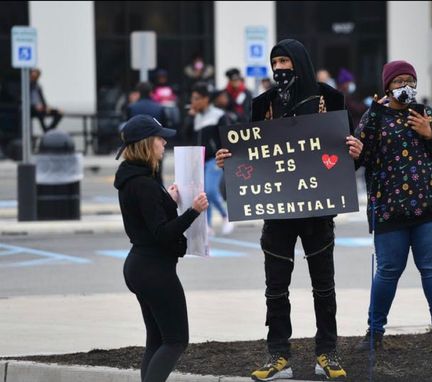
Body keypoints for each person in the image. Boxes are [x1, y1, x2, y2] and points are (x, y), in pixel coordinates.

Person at [216, 38, 363, 381]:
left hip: (318, 212)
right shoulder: (263, 103)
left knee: (324, 286)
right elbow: (252, 155)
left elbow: (345, 160)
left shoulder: (331, 99)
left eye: (286, 61)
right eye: (275, 62)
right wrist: (229, 160)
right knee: (275, 288)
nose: (280, 69)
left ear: (300, 62)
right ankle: (278, 355)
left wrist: (356, 152)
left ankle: (327, 352)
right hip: (278, 212)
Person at [354, 60, 432, 352]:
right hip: (389, 211)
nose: (405, 87)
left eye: (409, 81)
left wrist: (430, 135)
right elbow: (358, 159)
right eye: (398, 82)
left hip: (428, 209)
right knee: (387, 271)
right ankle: (374, 333)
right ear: (387, 86)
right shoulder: (373, 116)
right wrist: (368, 127)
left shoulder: (428, 115)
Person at [113, 114, 209, 382]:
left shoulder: (135, 178)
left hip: (140, 267)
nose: (164, 142)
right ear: (146, 143)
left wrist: (168, 199)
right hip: (154, 270)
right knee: (177, 340)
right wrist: (193, 211)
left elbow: (149, 218)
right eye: (159, 137)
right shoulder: (143, 184)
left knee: (157, 340)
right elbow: (162, 234)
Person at [185, 82, 234, 236]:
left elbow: (226, 137)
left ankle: (226, 215)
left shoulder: (218, 115)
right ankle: (208, 224)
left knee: (211, 190)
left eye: (196, 98)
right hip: (198, 160)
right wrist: (189, 117)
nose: (193, 102)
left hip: (215, 158)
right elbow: (184, 135)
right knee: (203, 192)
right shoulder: (195, 116)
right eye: (192, 99)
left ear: (206, 99)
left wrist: (224, 156)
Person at [127, 82, 169, 185]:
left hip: (138, 146)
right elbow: (163, 127)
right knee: (157, 174)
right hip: (155, 145)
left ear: (138, 92)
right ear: (151, 92)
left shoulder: (132, 107)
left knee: (139, 174)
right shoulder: (159, 107)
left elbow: (129, 128)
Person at [30, 68, 63, 133]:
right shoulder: (26, 86)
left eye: (36, 76)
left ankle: (49, 130)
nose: (35, 78)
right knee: (39, 112)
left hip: (41, 107)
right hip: (31, 109)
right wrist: (34, 106)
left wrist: (47, 107)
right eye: (33, 76)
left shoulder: (38, 86)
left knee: (59, 113)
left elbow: (42, 98)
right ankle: (45, 130)